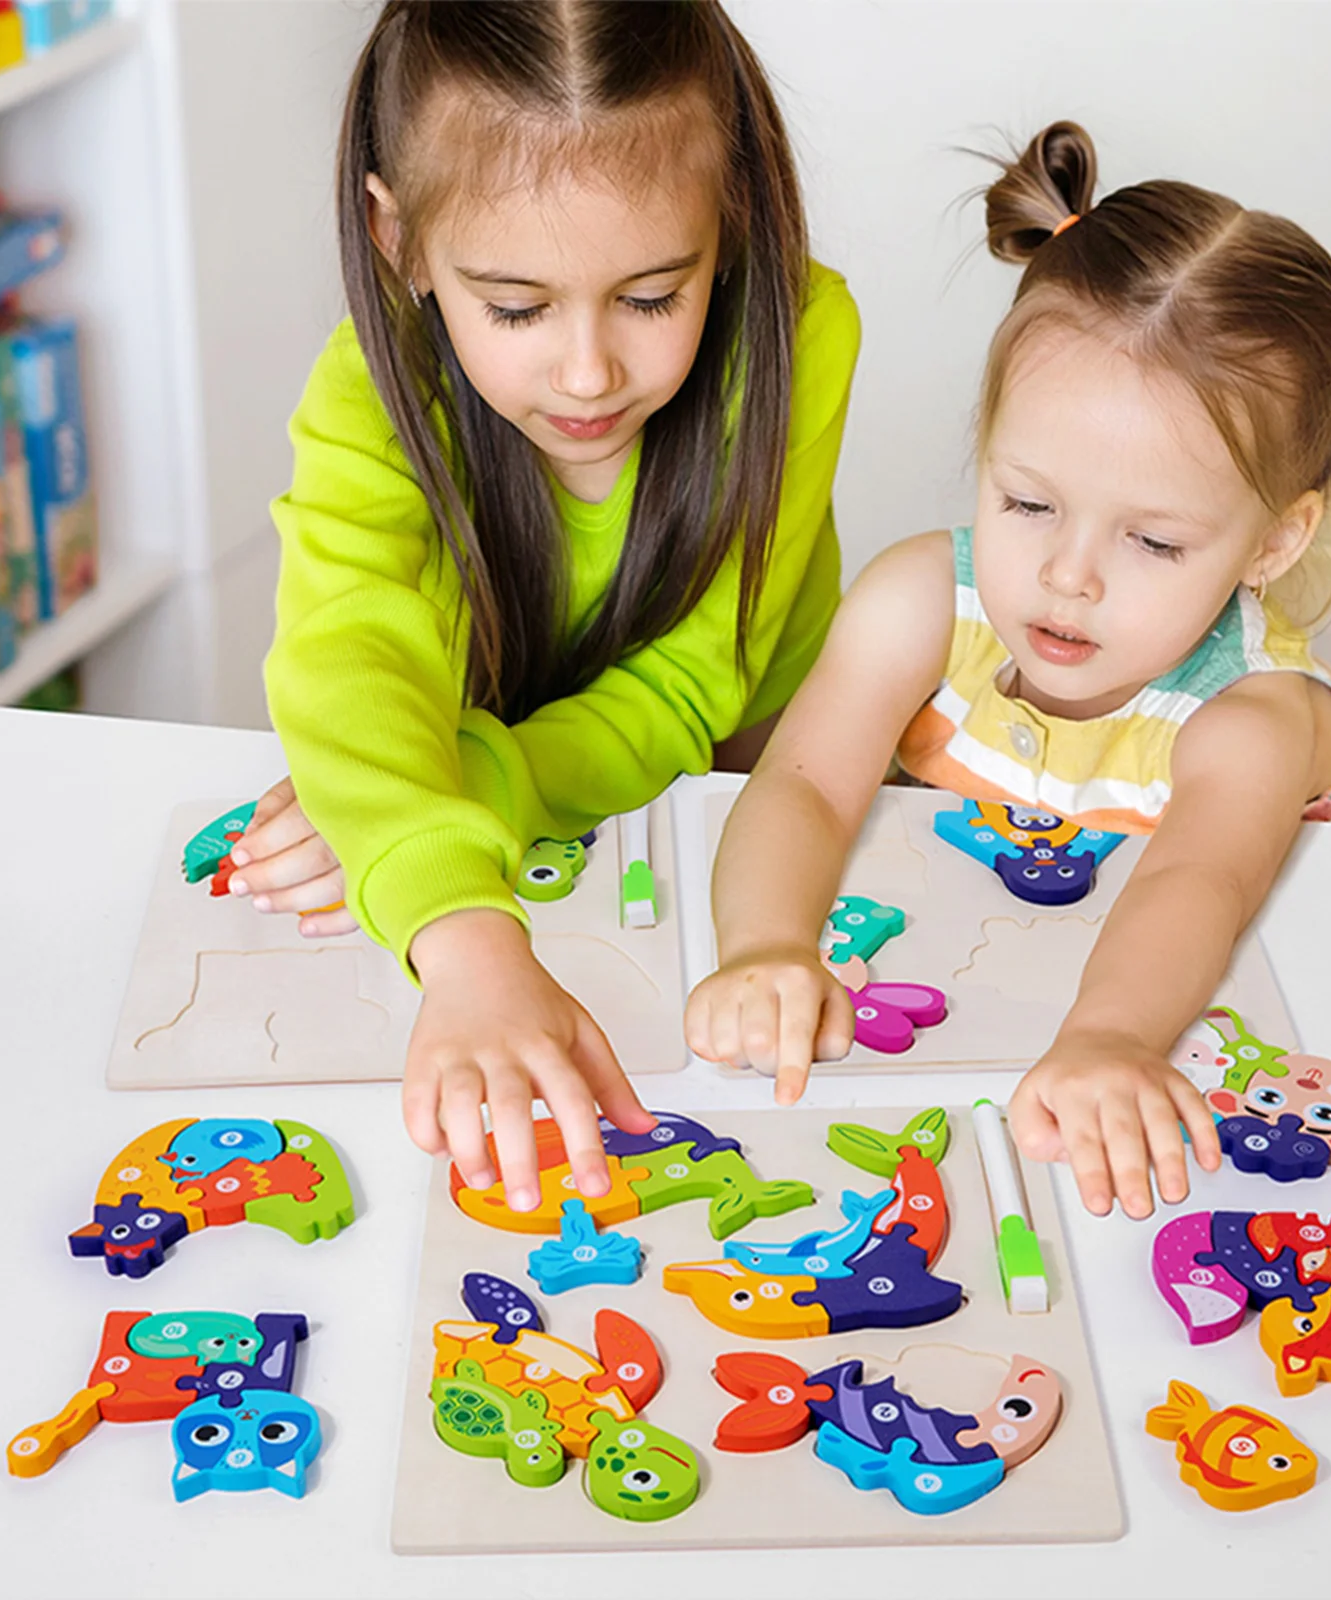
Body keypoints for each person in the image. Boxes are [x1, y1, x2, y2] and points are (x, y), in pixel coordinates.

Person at [684, 120, 1331, 1219]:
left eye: (1151, 542)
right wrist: (766, 945)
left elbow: (1194, 884)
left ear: (1271, 543)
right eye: (1028, 502)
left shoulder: (1254, 720)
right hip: (1010, 982)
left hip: (1278, 1026)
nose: (1067, 578)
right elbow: (804, 782)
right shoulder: (921, 599)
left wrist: (1111, 1036)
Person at [225, 1, 860, 1213]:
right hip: (502, 827)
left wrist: (451, 793)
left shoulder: (806, 331)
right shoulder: (371, 386)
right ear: (397, 237)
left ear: (728, 218)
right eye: (516, 307)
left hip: (744, 789)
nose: (586, 373)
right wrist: (457, 918)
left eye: (652, 296)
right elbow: (346, 648)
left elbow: (692, 689)